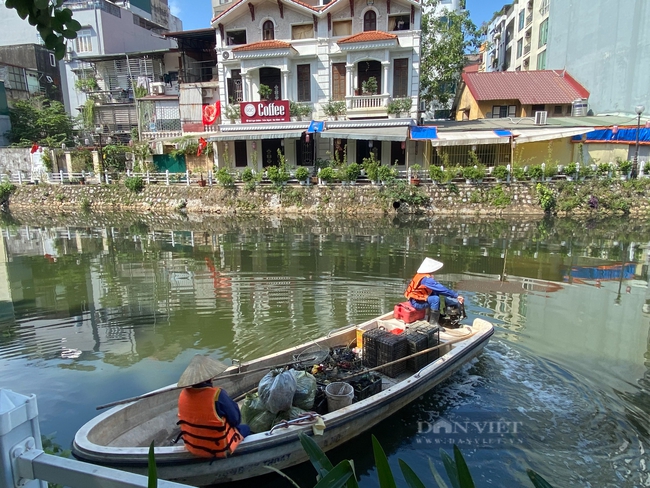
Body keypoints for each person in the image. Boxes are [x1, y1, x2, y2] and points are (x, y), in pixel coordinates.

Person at [177, 355, 250, 458]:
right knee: (246, 428)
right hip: (217, 448)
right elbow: (235, 420)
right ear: (211, 377)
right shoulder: (217, 395)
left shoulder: (183, 394)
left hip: (192, 445)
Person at [405, 258, 464, 325]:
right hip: (416, 303)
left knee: (435, 292)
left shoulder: (421, 275)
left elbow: (438, 289)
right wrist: (455, 295)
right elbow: (440, 288)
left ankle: (437, 316)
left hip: (416, 299)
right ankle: (433, 322)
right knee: (435, 299)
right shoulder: (426, 279)